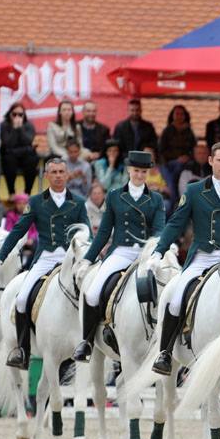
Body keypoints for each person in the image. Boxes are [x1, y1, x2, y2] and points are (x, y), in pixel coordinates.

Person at [147, 142, 220, 374]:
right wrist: (159, 251)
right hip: (203, 257)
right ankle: (165, 352)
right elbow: (176, 222)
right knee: (176, 296)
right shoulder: (195, 191)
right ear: (210, 161)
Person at [0, 157, 90, 369]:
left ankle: (87, 344)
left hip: (71, 259)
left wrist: (88, 255)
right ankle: (22, 350)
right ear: (47, 176)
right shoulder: (35, 202)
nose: (59, 176)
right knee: (22, 299)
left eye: (62, 172)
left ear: (67, 174)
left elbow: (86, 231)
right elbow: (18, 231)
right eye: (54, 172)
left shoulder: (78, 202)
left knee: (91, 295)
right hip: (46, 258)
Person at [73, 152, 165, 363]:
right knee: (93, 292)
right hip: (121, 252)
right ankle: (86, 342)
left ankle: (164, 344)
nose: (140, 175)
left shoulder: (156, 199)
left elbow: (159, 230)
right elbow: (104, 232)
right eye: (136, 171)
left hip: (145, 253)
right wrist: (88, 259)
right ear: (129, 171)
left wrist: (156, 252)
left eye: (144, 172)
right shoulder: (114, 196)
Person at [158, 105, 197, 208]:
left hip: (186, 162)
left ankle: (173, 198)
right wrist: (177, 158)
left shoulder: (189, 131)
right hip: (168, 162)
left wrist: (187, 157)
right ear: (172, 115)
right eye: (177, 114)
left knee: (179, 169)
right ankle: (175, 199)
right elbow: (161, 150)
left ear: (185, 116)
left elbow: (194, 149)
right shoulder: (167, 130)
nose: (179, 116)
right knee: (176, 167)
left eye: (181, 114)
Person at [0, 102, 38, 196]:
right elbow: (8, 143)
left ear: (24, 115)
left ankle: (27, 192)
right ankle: (11, 192)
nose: (17, 117)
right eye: (14, 114)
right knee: (8, 160)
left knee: (32, 160)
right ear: (9, 114)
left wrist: (20, 129)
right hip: (10, 154)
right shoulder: (4, 125)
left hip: (25, 153)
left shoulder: (29, 125)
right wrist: (14, 129)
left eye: (20, 114)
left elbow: (28, 141)